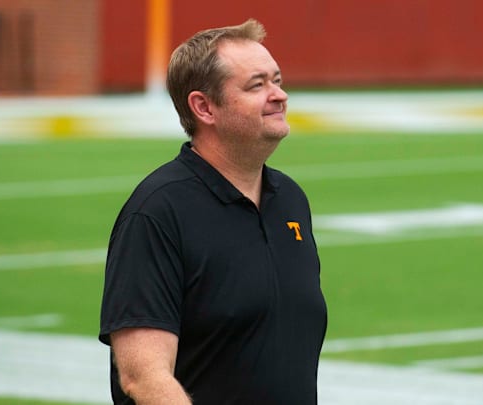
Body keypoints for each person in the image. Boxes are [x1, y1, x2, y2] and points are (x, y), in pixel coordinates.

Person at [99, 19, 327, 404]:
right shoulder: (157, 212)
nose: (279, 95)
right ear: (204, 107)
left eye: (277, 80)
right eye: (257, 85)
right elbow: (144, 378)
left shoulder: (290, 199)